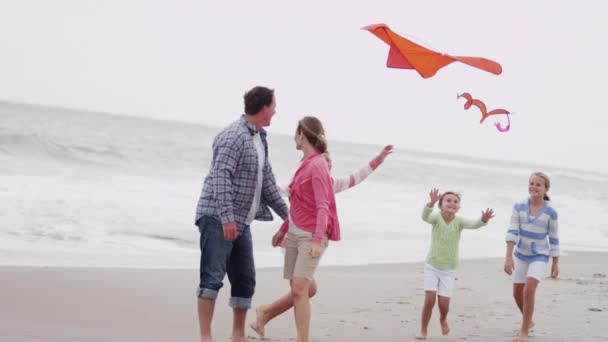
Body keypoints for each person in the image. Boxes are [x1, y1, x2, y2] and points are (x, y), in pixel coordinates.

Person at [250, 145, 394, 339]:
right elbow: (275, 191)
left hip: (308, 239)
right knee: (305, 289)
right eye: (322, 162)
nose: (325, 166)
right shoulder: (300, 182)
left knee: (306, 289)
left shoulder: (330, 184)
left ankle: (266, 314)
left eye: (329, 163)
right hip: (294, 240)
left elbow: (356, 177)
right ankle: (267, 314)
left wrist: (379, 159)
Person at [194, 86, 289, 342]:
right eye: (274, 106)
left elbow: (267, 182)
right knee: (212, 279)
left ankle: (238, 335)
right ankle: (206, 337)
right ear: (264, 107)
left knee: (245, 281)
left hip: (242, 222)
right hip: (217, 218)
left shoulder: (260, 138)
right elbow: (220, 176)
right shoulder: (233, 136)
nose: (276, 111)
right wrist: (226, 217)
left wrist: (287, 215)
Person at [416, 189, 494, 340]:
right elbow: (424, 217)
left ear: (458, 207)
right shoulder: (436, 219)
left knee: (444, 305)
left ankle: (442, 318)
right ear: (441, 205)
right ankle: (423, 329)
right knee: (430, 300)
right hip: (432, 266)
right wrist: (430, 204)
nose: (452, 203)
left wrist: (483, 220)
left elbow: (474, 224)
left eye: (455, 201)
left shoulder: (459, 222)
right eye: (448, 200)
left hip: (448, 270)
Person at [504, 172, 559, 342]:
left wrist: (555, 262)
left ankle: (524, 331)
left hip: (539, 256)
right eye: (531, 183)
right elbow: (512, 232)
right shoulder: (518, 206)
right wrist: (508, 257)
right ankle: (529, 321)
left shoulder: (551, 212)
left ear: (546, 189)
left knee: (529, 290)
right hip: (521, 254)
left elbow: (554, 238)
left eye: (538, 184)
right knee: (516, 294)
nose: (534, 187)